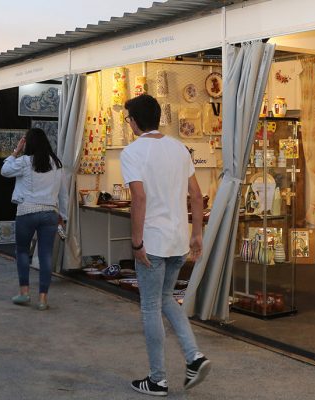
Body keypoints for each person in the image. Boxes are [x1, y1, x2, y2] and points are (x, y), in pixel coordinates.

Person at [120, 94, 210, 396]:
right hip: (178, 239)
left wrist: (136, 243)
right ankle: (194, 357)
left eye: (127, 118)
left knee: (150, 307)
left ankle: (157, 379)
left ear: (133, 120)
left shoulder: (132, 152)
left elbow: (139, 199)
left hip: (153, 242)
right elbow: (196, 196)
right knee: (167, 299)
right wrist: (197, 233)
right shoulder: (178, 149)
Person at [0, 128, 64, 311]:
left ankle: (24, 292)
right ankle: (43, 298)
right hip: (50, 212)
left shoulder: (24, 162)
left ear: (28, 143)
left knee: (22, 251)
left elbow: (4, 170)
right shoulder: (56, 164)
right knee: (45, 255)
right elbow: (63, 193)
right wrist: (63, 216)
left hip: (27, 211)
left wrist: (16, 151)